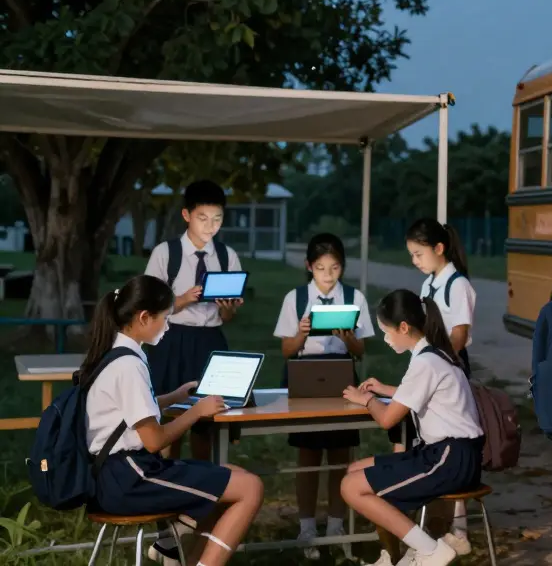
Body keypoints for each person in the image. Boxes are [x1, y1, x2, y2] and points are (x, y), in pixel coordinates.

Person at [85, 274, 264, 566]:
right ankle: (186, 553)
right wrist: (196, 412)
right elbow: (154, 440)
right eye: (166, 318)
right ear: (144, 317)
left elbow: (127, 413)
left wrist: (174, 397)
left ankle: (182, 556)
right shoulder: (128, 365)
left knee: (230, 475)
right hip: (130, 479)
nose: (168, 326)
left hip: (116, 475)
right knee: (250, 487)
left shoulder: (116, 353)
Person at [339, 290, 485, 566]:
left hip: (450, 458)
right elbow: (422, 393)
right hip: (447, 454)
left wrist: (368, 399)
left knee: (351, 486)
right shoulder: (434, 354)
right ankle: (398, 555)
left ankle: (430, 551)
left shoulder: (426, 362)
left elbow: (387, 420)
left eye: (386, 331)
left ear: (403, 327)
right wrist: (386, 389)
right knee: (354, 471)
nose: (385, 338)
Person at [274, 233, 374, 559]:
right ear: (309, 267)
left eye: (334, 268)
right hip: (304, 375)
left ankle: (335, 524)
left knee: (341, 454)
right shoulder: (295, 297)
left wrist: (347, 338)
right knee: (308, 454)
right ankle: (307, 527)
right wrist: (301, 334)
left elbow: (361, 350)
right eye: (320, 268)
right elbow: (286, 350)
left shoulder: (355, 297)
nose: (328, 276)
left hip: (342, 373)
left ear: (342, 267)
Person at [144, 179, 243, 462]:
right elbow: (148, 309)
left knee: (208, 425)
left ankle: (205, 494)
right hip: (171, 341)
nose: (210, 226)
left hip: (211, 342)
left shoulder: (227, 256)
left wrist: (227, 309)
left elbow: (227, 317)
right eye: (203, 218)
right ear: (186, 215)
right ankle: (165, 492)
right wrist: (184, 299)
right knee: (167, 425)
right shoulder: (166, 254)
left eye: (217, 219)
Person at [404, 218, 478, 553]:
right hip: (430, 370)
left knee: (452, 444)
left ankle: (459, 530)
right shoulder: (428, 285)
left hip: (448, 373)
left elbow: (459, 336)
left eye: (419, 254)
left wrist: (435, 358)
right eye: (412, 255)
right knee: (429, 443)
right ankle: (433, 524)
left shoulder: (457, 285)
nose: (415, 261)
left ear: (439, 248)